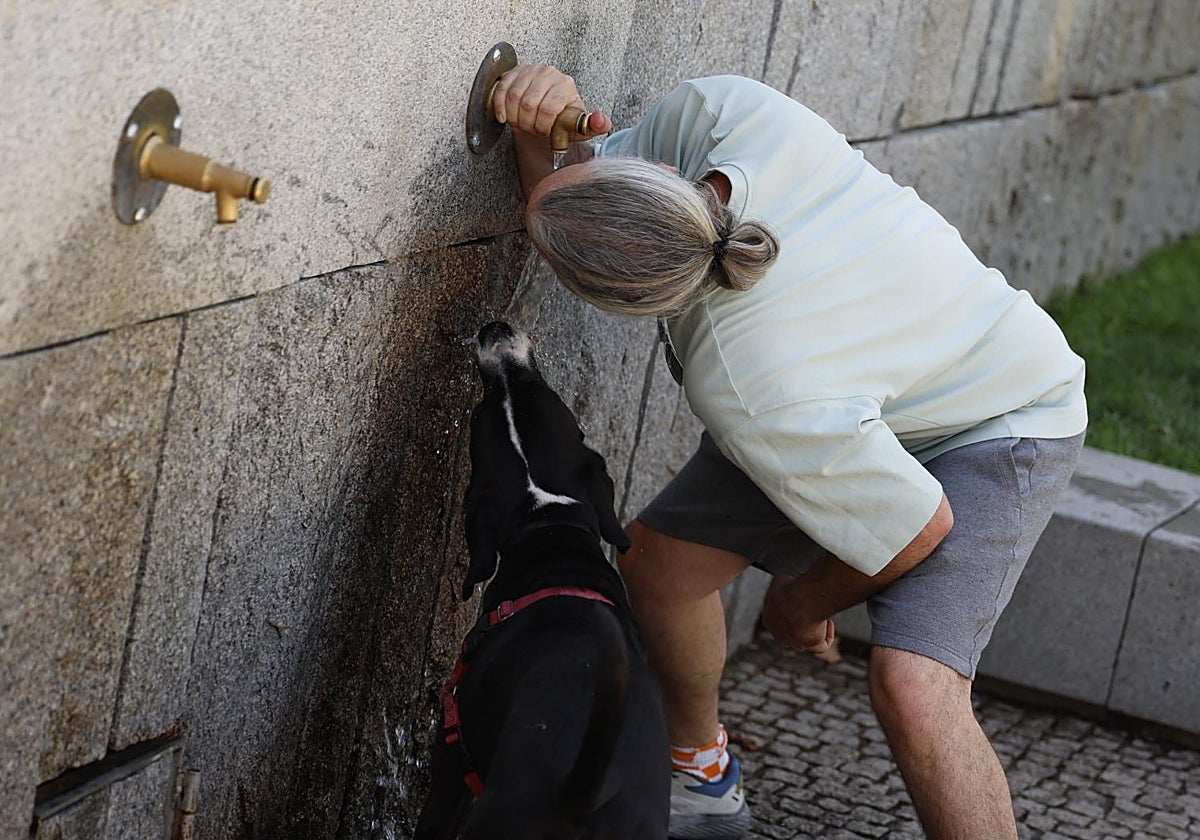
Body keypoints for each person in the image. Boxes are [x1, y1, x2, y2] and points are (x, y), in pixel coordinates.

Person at [492, 64, 1087, 840]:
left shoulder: (751, 385)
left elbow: (920, 527)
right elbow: (576, 195)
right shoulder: (726, 121)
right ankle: (699, 774)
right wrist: (535, 122)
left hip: (1004, 411)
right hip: (850, 389)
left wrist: (795, 609)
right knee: (660, 573)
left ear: (643, 308)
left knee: (914, 685)